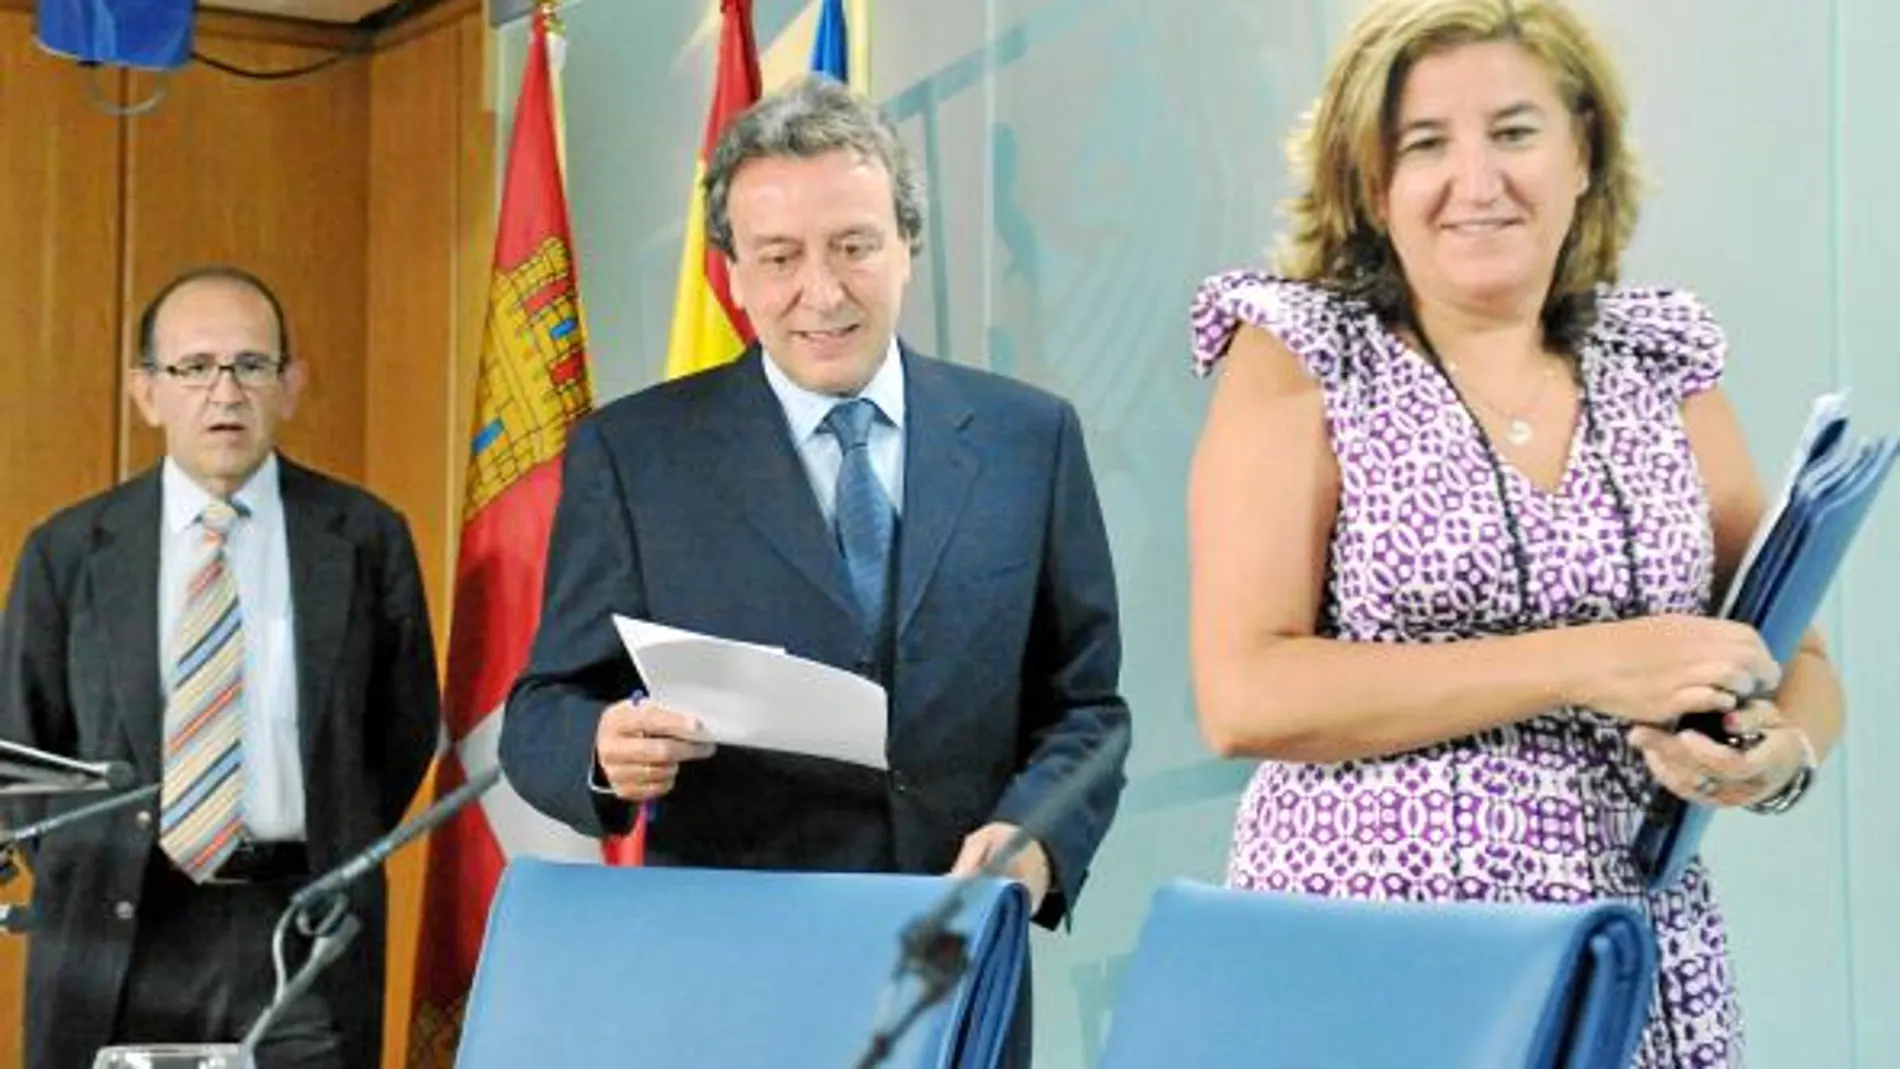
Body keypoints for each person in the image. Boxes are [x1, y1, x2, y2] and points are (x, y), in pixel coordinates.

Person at [1184, 1, 1844, 1065]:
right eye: (1425, 144)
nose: (1477, 180)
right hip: (1380, 960)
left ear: (1582, 150)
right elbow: (1243, 693)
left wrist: (1780, 753)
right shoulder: (1300, 353)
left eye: (1515, 131)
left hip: (1631, 959)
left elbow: (1791, 650)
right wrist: (1587, 665)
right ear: (1370, 181)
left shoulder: (1659, 358)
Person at [500, 75, 1130, 1059]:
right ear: (734, 274)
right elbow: (542, 706)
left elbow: (1085, 708)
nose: (821, 293)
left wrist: (1034, 841)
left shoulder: (1028, 439)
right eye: (781, 258)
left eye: (853, 246)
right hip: (736, 969)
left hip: (957, 962)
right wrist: (601, 744)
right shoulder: (637, 455)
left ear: (906, 246)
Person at [0, 266, 441, 1069]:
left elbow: (400, 731)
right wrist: (97, 864)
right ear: (147, 392)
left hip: (301, 929)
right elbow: (28, 752)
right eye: (194, 368)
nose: (225, 392)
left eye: (251, 365)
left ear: (291, 385)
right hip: (117, 928)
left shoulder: (365, 538)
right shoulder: (67, 552)